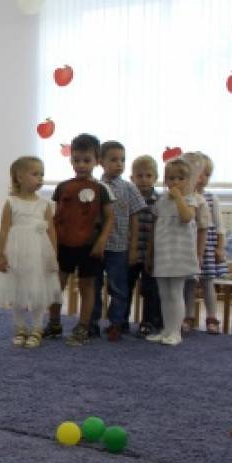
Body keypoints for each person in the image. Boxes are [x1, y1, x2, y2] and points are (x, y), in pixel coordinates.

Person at [44, 133, 114, 346]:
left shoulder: (102, 189)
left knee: (87, 286)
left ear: (97, 161)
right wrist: (52, 244)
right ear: (70, 159)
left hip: (90, 247)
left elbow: (110, 218)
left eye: (86, 160)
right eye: (76, 160)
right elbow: (57, 217)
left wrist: (101, 242)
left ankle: (83, 327)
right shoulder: (62, 187)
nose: (81, 165)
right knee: (56, 285)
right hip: (64, 245)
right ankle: (54, 323)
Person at [0, 156, 61, 348]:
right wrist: (1, 255)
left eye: (42, 174)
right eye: (35, 174)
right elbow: (4, 229)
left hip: (39, 254)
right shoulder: (11, 202)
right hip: (17, 253)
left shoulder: (45, 204)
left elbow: (51, 230)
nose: (40, 178)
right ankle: (20, 327)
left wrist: (53, 255)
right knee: (18, 290)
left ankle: (37, 328)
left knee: (38, 290)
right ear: (19, 177)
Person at [90, 140, 145, 341]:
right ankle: (91, 323)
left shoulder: (128, 188)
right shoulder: (94, 186)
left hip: (120, 247)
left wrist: (133, 247)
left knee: (119, 287)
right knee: (94, 286)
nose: (119, 164)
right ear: (100, 162)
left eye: (122, 160)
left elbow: (135, 217)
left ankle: (117, 324)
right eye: (113, 160)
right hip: (97, 247)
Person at [147, 157, 200, 346]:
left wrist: (178, 198)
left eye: (180, 179)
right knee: (164, 293)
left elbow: (187, 217)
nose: (175, 182)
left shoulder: (190, 199)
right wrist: (151, 253)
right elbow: (156, 226)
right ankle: (166, 330)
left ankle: (176, 332)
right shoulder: (160, 201)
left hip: (180, 255)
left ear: (188, 181)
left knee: (176, 293)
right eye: (170, 178)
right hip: (164, 253)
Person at [183, 151, 228, 334]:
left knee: (208, 282)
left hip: (207, 247)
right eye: (199, 174)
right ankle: (188, 316)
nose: (202, 179)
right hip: (187, 246)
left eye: (207, 175)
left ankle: (212, 317)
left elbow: (220, 226)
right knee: (189, 284)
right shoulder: (185, 199)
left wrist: (219, 248)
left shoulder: (211, 199)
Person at [127, 154, 164, 336]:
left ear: (155, 178)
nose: (144, 180)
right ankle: (120, 321)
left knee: (151, 289)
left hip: (151, 254)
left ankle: (149, 321)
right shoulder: (127, 198)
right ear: (132, 178)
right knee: (125, 287)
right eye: (139, 176)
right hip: (131, 251)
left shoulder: (161, 201)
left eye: (148, 176)